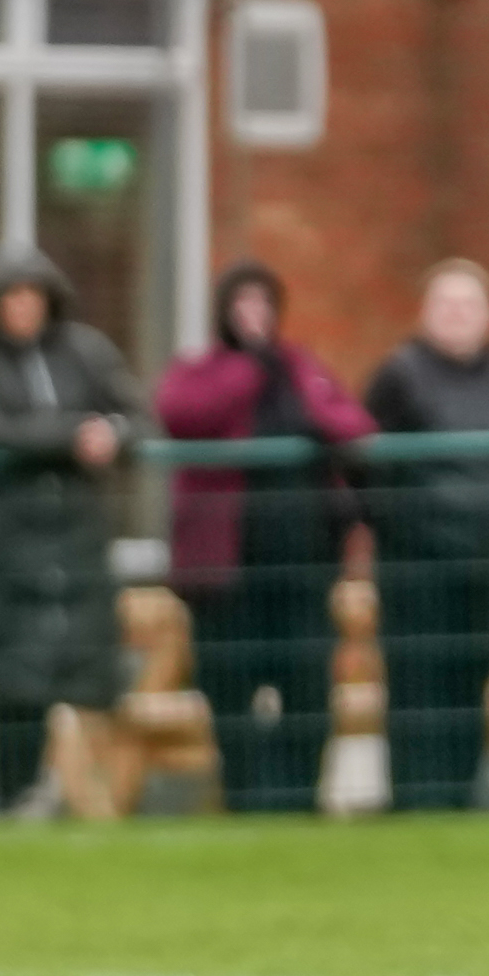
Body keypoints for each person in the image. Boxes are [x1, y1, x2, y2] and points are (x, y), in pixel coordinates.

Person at [158, 261, 374, 813]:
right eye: (242, 304)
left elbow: (349, 422)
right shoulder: (203, 370)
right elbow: (180, 412)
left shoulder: (299, 366)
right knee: (230, 692)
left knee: (307, 690)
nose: (254, 316)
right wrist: (248, 370)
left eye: (264, 305)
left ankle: (299, 799)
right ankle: (245, 797)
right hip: (226, 572)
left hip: (301, 566)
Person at [0, 247, 149, 814]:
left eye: (33, 295)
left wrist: (112, 433)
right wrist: (74, 438)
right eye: (12, 296)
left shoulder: (88, 352)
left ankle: (87, 796)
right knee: (12, 684)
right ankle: (15, 794)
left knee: (87, 671)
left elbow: (135, 416)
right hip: (6, 545)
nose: (23, 307)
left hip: (77, 542)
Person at [362, 261, 489, 809]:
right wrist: (406, 524)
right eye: (446, 304)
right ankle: (414, 800)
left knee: (473, 680)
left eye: (469, 305)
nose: (458, 315)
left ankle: (462, 797)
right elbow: (366, 465)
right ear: (425, 312)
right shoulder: (400, 375)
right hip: (416, 565)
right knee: (418, 686)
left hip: (486, 562)